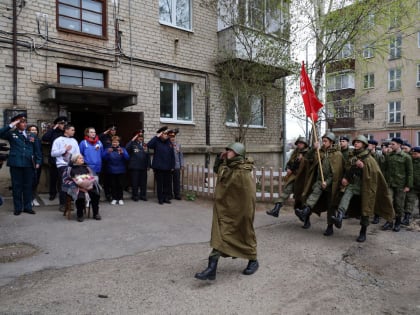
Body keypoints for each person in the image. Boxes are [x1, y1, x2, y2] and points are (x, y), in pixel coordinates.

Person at [194, 142, 258, 281]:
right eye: (227, 150)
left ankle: (253, 260)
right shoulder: (227, 166)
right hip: (225, 209)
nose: (227, 152)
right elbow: (218, 170)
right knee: (221, 235)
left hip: (240, 211)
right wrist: (219, 157)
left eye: (230, 151)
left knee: (245, 233)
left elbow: (248, 195)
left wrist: (245, 214)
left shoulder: (243, 171)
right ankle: (211, 269)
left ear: (238, 154)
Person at [331, 136, 394, 242]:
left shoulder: (369, 158)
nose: (356, 144)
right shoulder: (352, 156)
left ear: (364, 145)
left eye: (359, 142)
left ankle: (363, 231)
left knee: (365, 209)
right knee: (345, 198)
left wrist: (363, 167)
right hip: (352, 184)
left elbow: (374, 173)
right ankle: (339, 217)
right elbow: (347, 168)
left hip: (365, 187)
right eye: (355, 142)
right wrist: (346, 178)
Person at [295, 132, 344, 235]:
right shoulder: (319, 152)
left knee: (330, 206)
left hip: (331, 184)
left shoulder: (337, 154)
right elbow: (307, 159)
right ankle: (305, 211)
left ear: (331, 142)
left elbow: (336, 172)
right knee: (312, 194)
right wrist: (313, 148)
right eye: (323, 141)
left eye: (326, 141)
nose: (323, 143)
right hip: (319, 181)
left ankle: (330, 227)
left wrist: (327, 181)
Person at [0, 114, 42, 215]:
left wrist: (38, 161)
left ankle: (27, 207)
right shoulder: (11, 134)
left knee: (28, 186)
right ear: (17, 124)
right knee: (17, 186)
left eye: (25, 122)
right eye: (21, 122)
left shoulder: (31, 135)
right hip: (16, 163)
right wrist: (11, 124)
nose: (24, 124)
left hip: (29, 164)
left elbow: (37, 150)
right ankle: (18, 208)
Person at [266, 136, 310, 217]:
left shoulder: (308, 153)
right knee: (286, 191)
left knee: (302, 199)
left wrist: (301, 160)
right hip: (293, 176)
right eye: (298, 143)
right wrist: (288, 168)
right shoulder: (296, 152)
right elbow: (290, 162)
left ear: (305, 144)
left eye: (301, 143)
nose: (299, 145)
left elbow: (308, 166)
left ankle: (306, 219)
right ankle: (276, 209)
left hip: (303, 179)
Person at [382, 137, 413, 232]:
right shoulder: (389, 156)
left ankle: (398, 222)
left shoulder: (406, 157)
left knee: (399, 205)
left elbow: (410, 172)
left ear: (399, 145)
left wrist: (408, 185)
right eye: (390, 144)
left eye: (393, 144)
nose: (390, 146)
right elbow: (385, 169)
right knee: (388, 202)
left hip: (401, 185)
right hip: (390, 184)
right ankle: (389, 221)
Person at [62, 154, 101, 222]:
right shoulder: (69, 169)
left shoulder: (87, 167)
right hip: (75, 187)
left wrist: (90, 182)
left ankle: (96, 213)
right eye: (80, 158)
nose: (82, 159)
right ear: (75, 160)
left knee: (96, 194)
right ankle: (80, 215)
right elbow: (65, 180)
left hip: (88, 186)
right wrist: (77, 185)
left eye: (82, 158)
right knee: (80, 197)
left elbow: (93, 176)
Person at [51, 124, 80, 212]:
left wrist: (77, 162)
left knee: (73, 185)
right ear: (66, 130)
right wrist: (64, 149)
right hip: (62, 165)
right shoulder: (58, 140)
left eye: (74, 130)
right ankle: (63, 204)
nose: (74, 131)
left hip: (73, 165)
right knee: (64, 185)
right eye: (72, 130)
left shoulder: (74, 140)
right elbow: (53, 153)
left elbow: (77, 153)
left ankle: (70, 203)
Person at [41, 116, 68, 200]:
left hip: (64, 159)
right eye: (61, 123)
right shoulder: (53, 132)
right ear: (57, 124)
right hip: (54, 159)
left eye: (65, 123)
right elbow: (44, 138)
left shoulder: (66, 133)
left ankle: (62, 194)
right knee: (53, 178)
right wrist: (53, 128)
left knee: (63, 179)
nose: (63, 125)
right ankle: (52, 193)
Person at [147, 126, 175, 205]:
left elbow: (172, 155)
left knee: (167, 183)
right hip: (159, 167)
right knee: (160, 184)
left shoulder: (169, 142)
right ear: (161, 134)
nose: (167, 135)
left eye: (167, 134)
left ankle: (166, 198)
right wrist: (156, 136)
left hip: (168, 167)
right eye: (165, 134)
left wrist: (172, 166)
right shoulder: (156, 141)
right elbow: (149, 145)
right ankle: (160, 199)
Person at [102, 136, 129, 205]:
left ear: (119, 143)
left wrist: (123, 152)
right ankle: (114, 198)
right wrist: (108, 152)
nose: (115, 143)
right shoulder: (108, 149)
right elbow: (104, 158)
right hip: (111, 170)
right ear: (111, 142)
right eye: (113, 142)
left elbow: (127, 158)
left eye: (116, 142)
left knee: (120, 185)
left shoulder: (122, 149)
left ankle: (120, 198)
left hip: (121, 170)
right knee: (113, 185)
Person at [126, 130, 150, 201]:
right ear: (136, 137)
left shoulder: (145, 145)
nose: (140, 138)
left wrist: (148, 165)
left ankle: (143, 195)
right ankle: (135, 196)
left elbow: (148, 155)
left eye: (142, 136)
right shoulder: (132, 144)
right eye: (139, 136)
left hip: (143, 166)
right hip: (135, 166)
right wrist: (133, 139)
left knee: (143, 182)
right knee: (135, 182)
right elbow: (126, 148)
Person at [402, 146, 420, 225]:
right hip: (412, 186)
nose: (413, 155)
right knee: (409, 201)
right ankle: (406, 218)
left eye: (415, 154)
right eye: (412, 154)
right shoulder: (410, 161)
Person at [99, 124, 117, 201]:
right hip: (107, 161)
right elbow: (97, 137)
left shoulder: (117, 138)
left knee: (114, 180)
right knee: (107, 179)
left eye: (114, 130)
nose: (113, 131)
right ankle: (108, 194)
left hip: (115, 161)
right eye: (111, 130)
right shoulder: (104, 137)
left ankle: (114, 194)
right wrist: (105, 132)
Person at [27, 124, 43, 207]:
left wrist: (39, 162)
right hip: (30, 163)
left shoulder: (38, 139)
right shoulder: (29, 139)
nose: (34, 131)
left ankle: (33, 198)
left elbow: (39, 152)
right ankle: (29, 199)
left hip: (38, 163)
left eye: (35, 130)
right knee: (30, 182)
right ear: (28, 131)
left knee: (36, 182)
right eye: (32, 130)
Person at [168, 129, 184, 200]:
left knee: (177, 181)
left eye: (173, 137)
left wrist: (182, 165)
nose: (172, 138)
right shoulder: (166, 144)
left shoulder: (178, 145)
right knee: (169, 181)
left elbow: (181, 155)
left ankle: (177, 194)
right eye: (171, 137)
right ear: (169, 137)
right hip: (168, 166)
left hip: (176, 166)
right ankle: (169, 194)